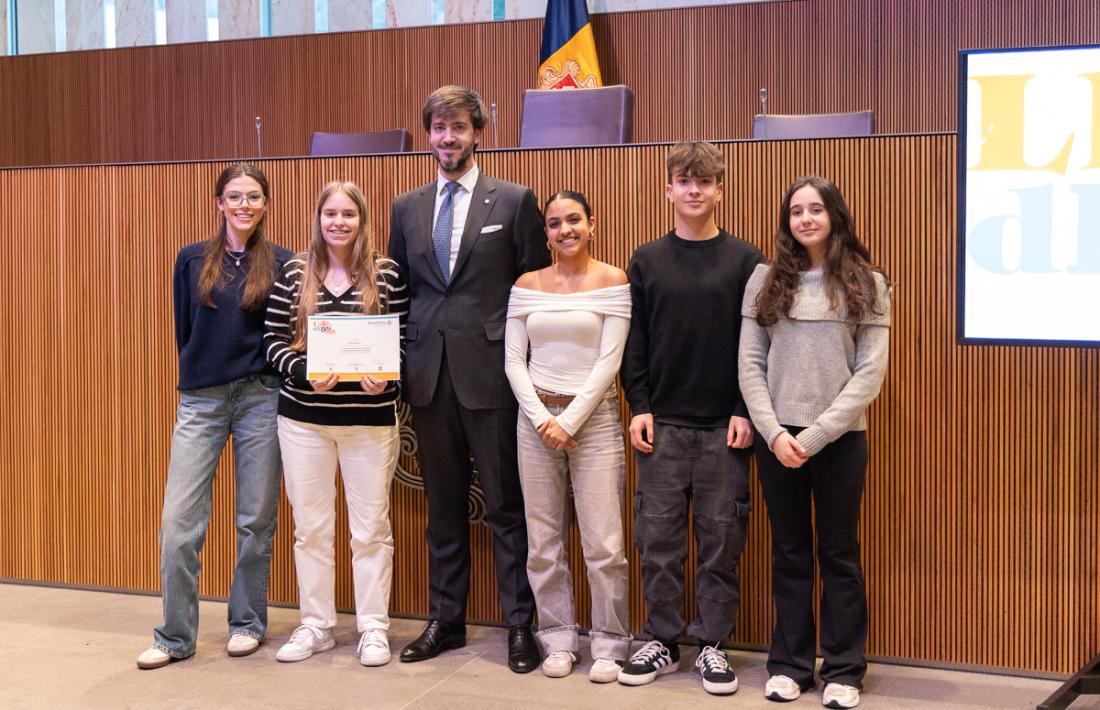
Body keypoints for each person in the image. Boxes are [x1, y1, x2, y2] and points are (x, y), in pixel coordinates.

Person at [388, 84, 549, 673]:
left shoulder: (513, 200)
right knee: (444, 507)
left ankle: (520, 625)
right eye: (437, 127)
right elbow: (398, 295)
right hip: (427, 379)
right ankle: (446, 620)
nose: (447, 137)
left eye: (457, 126)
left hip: (494, 378)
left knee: (507, 506)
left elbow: (535, 292)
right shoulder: (405, 207)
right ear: (427, 135)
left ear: (478, 131)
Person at [738, 176, 890, 709]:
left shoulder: (867, 282)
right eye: (796, 211)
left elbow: (869, 375)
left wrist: (820, 433)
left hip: (841, 441)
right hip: (776, 440)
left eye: (816, 209)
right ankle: (789, 666)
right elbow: (750, 365)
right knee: (789, 554)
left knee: (839, 553)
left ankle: (844, 670)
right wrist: (775, 432)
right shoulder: (764, 279)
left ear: (835, 217)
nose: (805, 218)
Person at [618, 141, 762, 696]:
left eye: (704, 181)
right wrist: (641, 404)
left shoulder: (746, 261)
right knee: (657, 540)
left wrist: (744, 410)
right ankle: (660, 638)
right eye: (684, 180)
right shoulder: (646, 260)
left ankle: (712, 645)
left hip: (726, 428)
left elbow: (756, 346)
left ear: (720, 189)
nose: (694, 189)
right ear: (669, 189)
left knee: (721, 541)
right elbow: (637, 343)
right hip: (663, 426)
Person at [137, 163, 291, 670]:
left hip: (261, 398)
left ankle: (247, 623)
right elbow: (186, 332)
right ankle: (175, 636)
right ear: (219, 203)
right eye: (234, 196)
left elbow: (288, 335)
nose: (243, 205)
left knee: (255, 520)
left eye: (253, 197)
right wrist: (202, 380)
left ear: (266, 205)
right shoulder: (190, 260)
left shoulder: (285, 263)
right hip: (201, 401)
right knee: (179, 523)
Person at [262, 181, 408, 666]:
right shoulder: (293, 273)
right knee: (312, 531)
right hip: (304, 423)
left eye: (349, 214)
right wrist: (305, 370)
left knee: (371, 531)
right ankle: (317, 625)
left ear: (362, 221)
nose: (339, 222)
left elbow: (407, 342)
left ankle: (373, 628)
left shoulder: (386, 273)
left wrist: (385, 374)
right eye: (330, 214)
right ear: (318, 219)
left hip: (369, 423)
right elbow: (272, 344)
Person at [503, 190, 632, 683]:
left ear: (592, 223)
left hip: (593, 422)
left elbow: (610, 362)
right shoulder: (526, 284)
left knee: (605, 544)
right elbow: (515, 361)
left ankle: (609, 642)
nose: (565, 231)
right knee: (543, 543)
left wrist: (569, 421)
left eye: (574, 220)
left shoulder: (613, 281)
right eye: (555, 224)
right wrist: (542, 420)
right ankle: (557, 638)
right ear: (547, 234)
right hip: (534, 422)